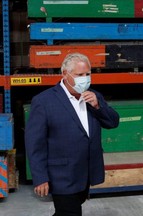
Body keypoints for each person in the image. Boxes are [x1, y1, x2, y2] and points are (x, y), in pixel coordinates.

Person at [25, 53, 120, 216]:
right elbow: (35, 143)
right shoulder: (44, 101)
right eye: (79, 75)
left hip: (85, 173)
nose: (85, 79)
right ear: (64, 74)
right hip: (62, 175)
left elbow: (113, 122)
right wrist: (40, 177)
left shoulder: (94, 96)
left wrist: (98, 106)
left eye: (88, 74)